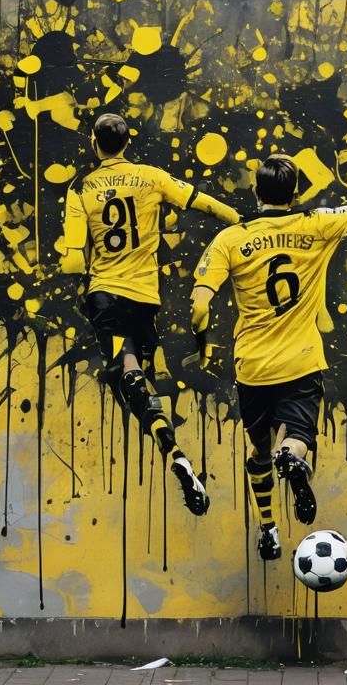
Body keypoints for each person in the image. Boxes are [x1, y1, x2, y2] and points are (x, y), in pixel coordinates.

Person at [190, 154, 347, 561]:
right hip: (301, 361)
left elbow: (200, 304)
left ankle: (269, 530)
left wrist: (202, 340)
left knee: (258, 452)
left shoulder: (230, 240)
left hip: (253, 368)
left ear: (255, 191)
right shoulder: (317, 223)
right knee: (298, 435)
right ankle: (292, 457)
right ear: (295, 195)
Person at [60, 112, 239, 516]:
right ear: (127, 142)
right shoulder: (152, 177)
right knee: (138, 377)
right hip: (144, 298)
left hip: (107, 295)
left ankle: (173, 450)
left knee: (129, 375)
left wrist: (79, 287)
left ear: (94, 143)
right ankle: (172, 448)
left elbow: (72, 260)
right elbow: (200, 202)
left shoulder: (81, 188)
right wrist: (238, 221)